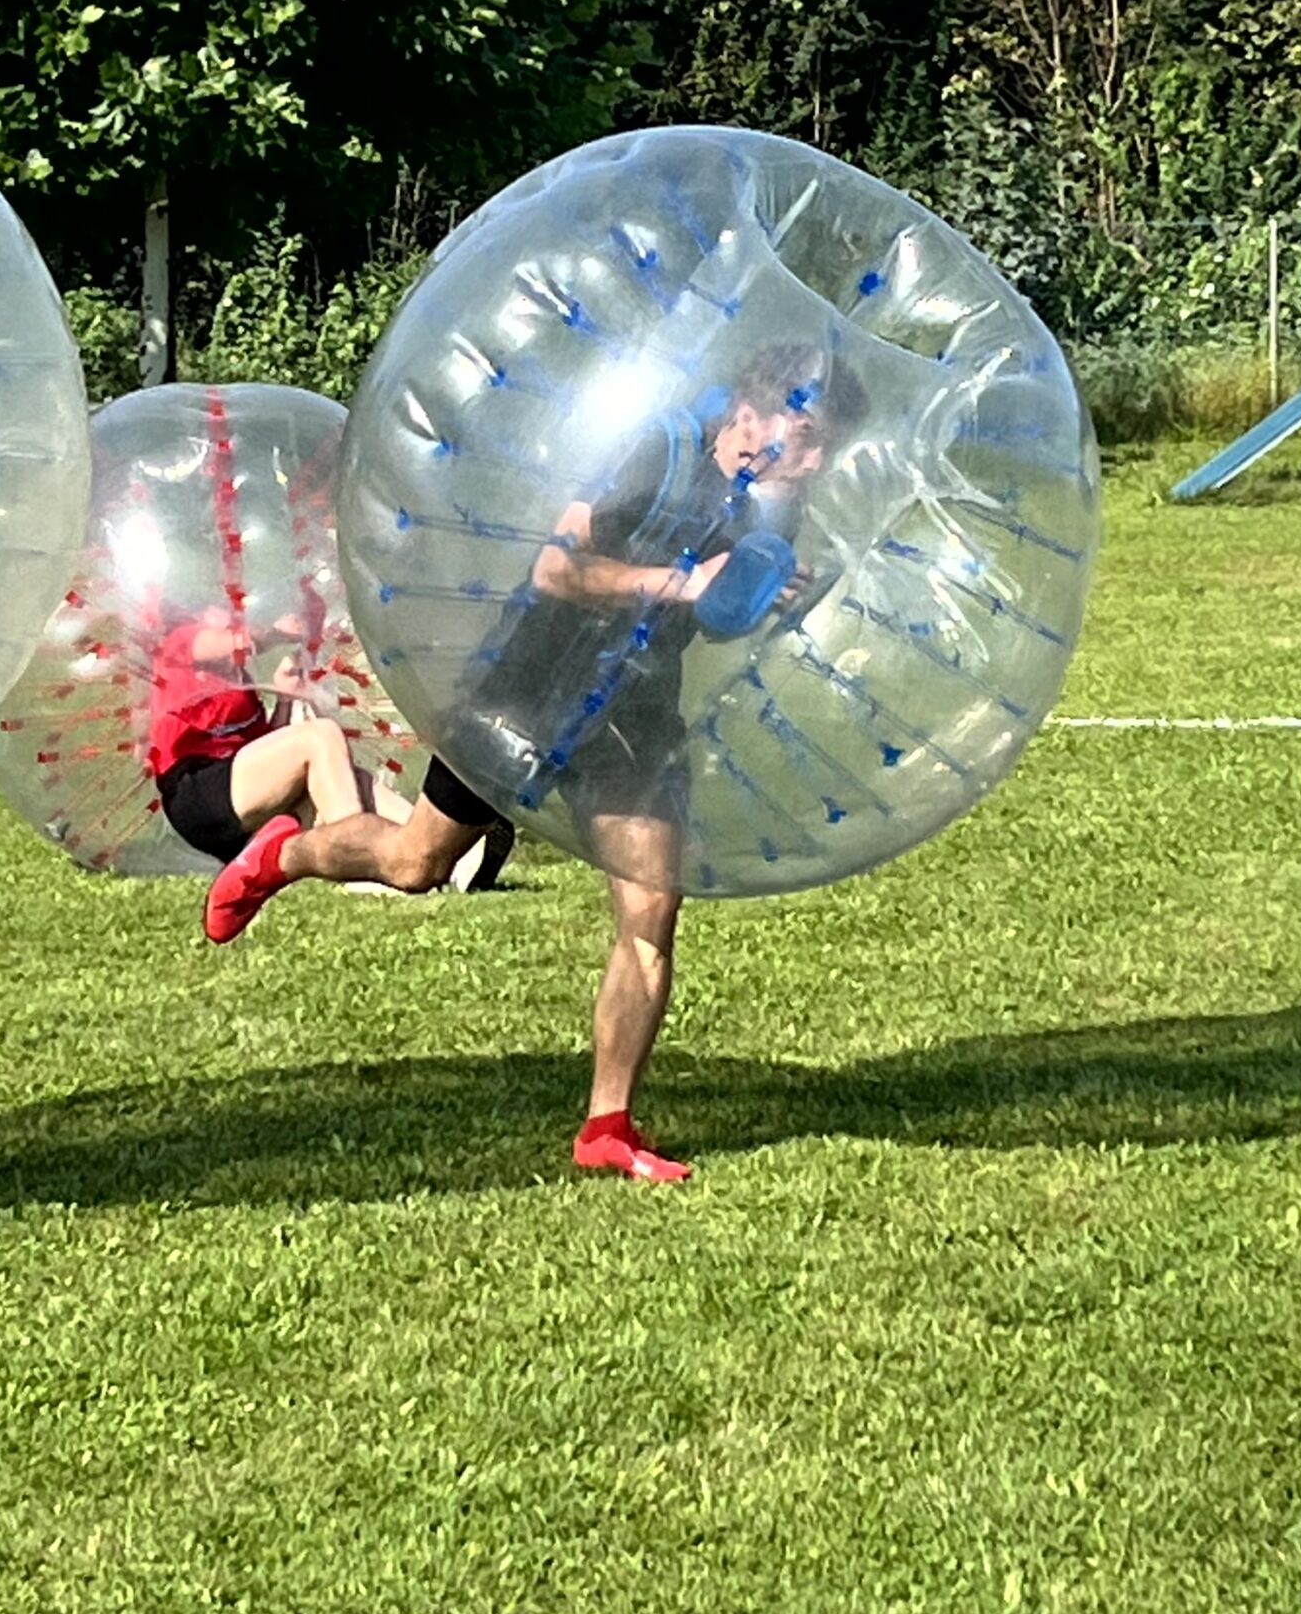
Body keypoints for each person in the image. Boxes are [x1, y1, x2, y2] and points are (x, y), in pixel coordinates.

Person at [201, 346, 860, 1184]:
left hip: (634, 714)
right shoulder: (653, 449)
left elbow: (715, 620)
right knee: (416, 863)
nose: (816, 460)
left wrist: (757, 604)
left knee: (652, 914)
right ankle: (283, 854)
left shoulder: (773, 512)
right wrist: (682, 583)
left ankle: (607, 1125)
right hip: (530, 689)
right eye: (806, 436)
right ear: (753, 413)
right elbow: (557, 570)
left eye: (824, 446)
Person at [148, 601, 434, 875]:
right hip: (196, 793)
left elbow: (263, 756)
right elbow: (240, 641)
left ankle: (428, 848)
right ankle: (354, 856)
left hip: (236, 792)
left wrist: (284, 697)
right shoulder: (178, 643)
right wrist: (279, 633)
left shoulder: (241, 684)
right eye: (219, 609)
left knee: (346, 776)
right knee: (319, 736)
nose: (232, 616)